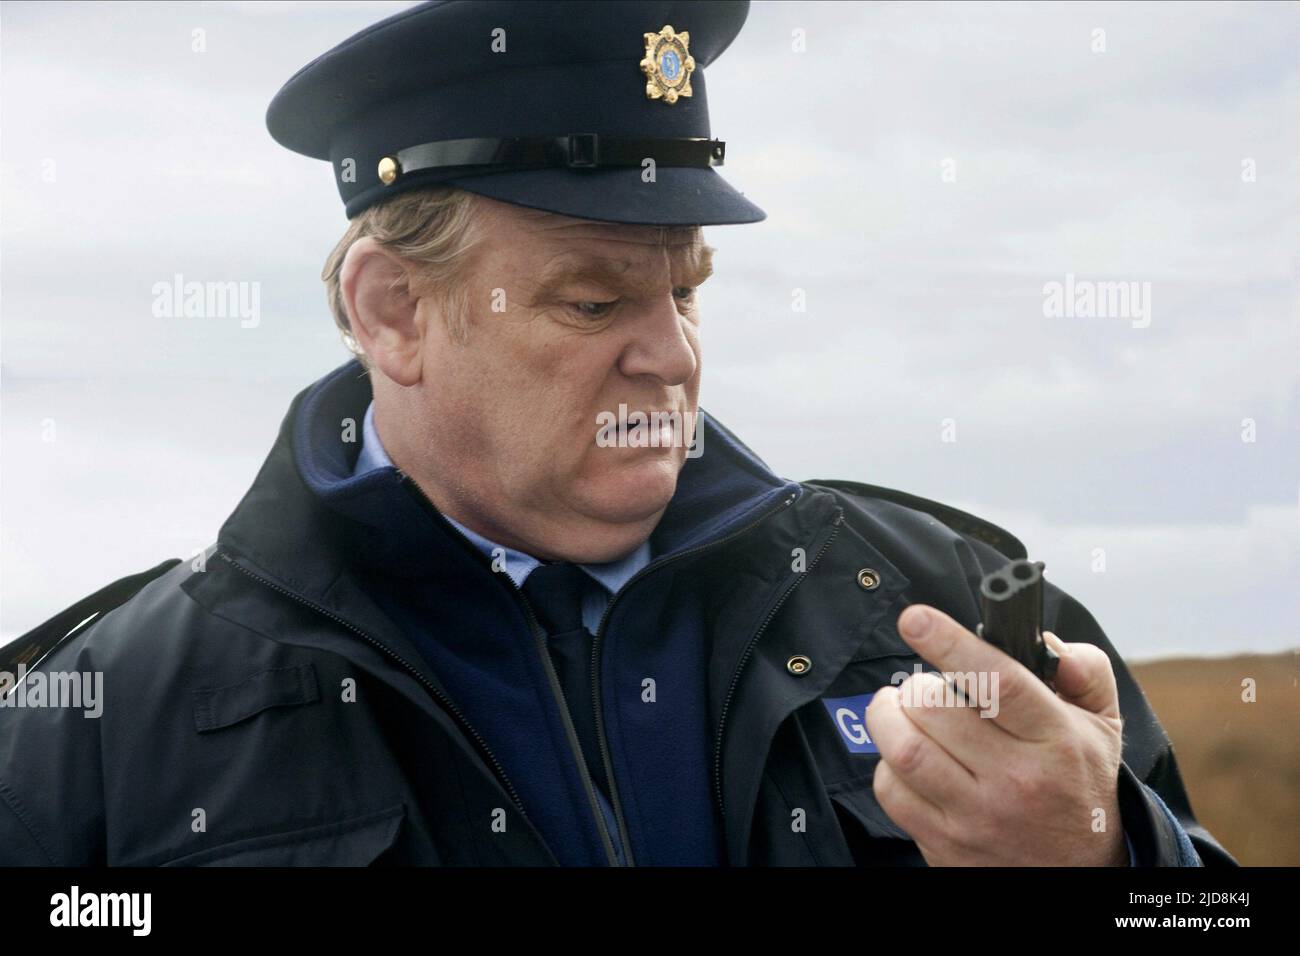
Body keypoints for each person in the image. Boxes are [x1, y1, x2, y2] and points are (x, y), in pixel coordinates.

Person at [0, 0, 1235, 867]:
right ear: (394, 310)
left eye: (686, 289)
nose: (672, 353)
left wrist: (1109, 856)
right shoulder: (92, 720)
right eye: (593, 300)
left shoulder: (957, 604)